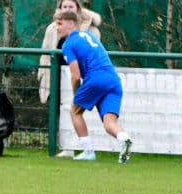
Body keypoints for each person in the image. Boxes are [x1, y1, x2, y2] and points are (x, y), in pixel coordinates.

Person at [55, 9, 132, 163]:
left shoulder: (68, 44)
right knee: (109, 123)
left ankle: (88, 152)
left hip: (96, 79)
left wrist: (77, 95)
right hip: (113, 80)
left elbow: (75, 76)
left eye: (59, 24)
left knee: (75, 111)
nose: (56, 28)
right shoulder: (89, 35)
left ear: (70, 24)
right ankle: (124, 138)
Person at [38, 0, 102, 157]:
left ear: (77, 9)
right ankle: (67, 147)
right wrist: (43, 72)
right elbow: (45, 52)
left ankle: (86, 146)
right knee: (60, 109)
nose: (67, 9)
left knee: (77, 108)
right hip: (56, 74)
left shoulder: (90, 30)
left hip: (80, 75)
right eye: (64, 7)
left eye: (71, 7)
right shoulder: (52, 29)